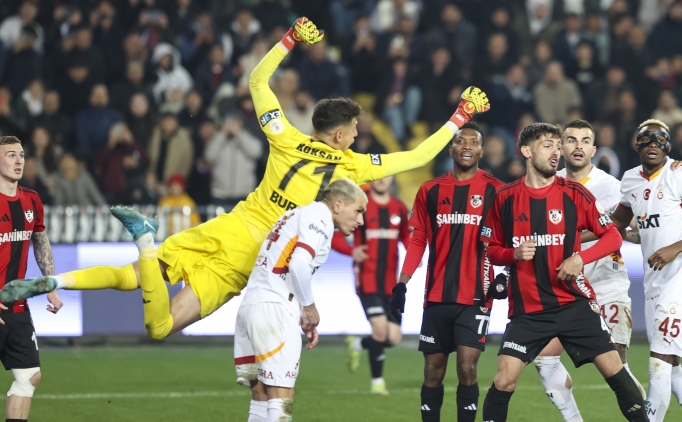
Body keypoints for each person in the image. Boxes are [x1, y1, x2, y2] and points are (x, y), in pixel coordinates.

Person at [0, 17, 490, 341]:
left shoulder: (284, 135)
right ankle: (146, 243)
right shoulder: (349, 165)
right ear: (341, 135)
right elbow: (419, 154)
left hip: (229, 225)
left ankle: (52, 281)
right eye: (356, 130)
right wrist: (460, 115)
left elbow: (256, 80)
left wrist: (290, 39)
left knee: (135, 280)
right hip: (251, 255)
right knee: (161, 327)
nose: (359, 135)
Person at [479, 122, 647, 422]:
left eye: (558, 146)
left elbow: (611, 236)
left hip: (574, 303)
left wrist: (581, 258)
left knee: (616, 373)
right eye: (548, 146)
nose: (556, 152)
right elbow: (491, 250)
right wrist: (512, 254)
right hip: (529, 311)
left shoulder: (575, 193)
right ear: (526, 151)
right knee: (504, 380)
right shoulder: (505, 198)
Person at [390, 121, 505, 422]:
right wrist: (402, 283)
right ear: (451, 148)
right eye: (460, 141)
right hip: (437, 295)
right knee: (432, 371)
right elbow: (418, 240)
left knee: (467, 367)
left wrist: (505, 274)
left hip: (477, 296)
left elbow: (509, 239)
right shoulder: (430, 190)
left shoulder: (496, 191)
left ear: (482, 151)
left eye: (474, 142)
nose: (467, 146)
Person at [533, 120, 646, 422]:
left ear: (594, 150)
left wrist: (639, 234)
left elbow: (633, 229)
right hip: (566, 289)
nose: (578, 146)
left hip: (607, 284)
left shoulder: (611, 187)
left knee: (617, 366)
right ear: (561, 148)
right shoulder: (548, 183)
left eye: (585, 141)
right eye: (571, 140)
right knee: (544, 358)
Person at [235, 178, 367, 422]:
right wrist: (309, 307)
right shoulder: (320, 218)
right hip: (274, 309)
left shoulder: (298, 214)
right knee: (281, 395)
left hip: (252, 306)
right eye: (358, 211)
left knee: (261, 396)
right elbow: (298, 265)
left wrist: (301, 314)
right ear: (338, 205)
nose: (361, 220)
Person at [610, 119, 682, 421]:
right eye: (646, 139)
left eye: (660, 139)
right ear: (636, 144)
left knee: (659, 359)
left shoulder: (678, 174)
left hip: (679, 278)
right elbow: (618, 223)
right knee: (673, 363)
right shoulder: (630, 180)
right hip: (655, 281)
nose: (653, 144)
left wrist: (675, 248)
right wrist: (575, 236)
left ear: (669, 145)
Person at [0, 136, 62, 422]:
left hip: (16, 305)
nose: (19, 160)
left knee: (29, 375)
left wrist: (51, 285)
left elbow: (40, 241)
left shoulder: (31, 199)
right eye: (11, 155)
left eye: (22, 155)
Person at [333, 176, 410, 395]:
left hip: (391, 283)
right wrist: (352, 251)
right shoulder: (359, 205)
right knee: (380, 329)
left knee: (393, 337)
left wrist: (414, 255)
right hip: (367, 279)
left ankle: (358, 344)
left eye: (387, 175)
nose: (382, 180)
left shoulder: (398, 207)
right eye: (378, 176)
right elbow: (335, 237)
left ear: (393, 178)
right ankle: (377, 383)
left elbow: (406, 236)